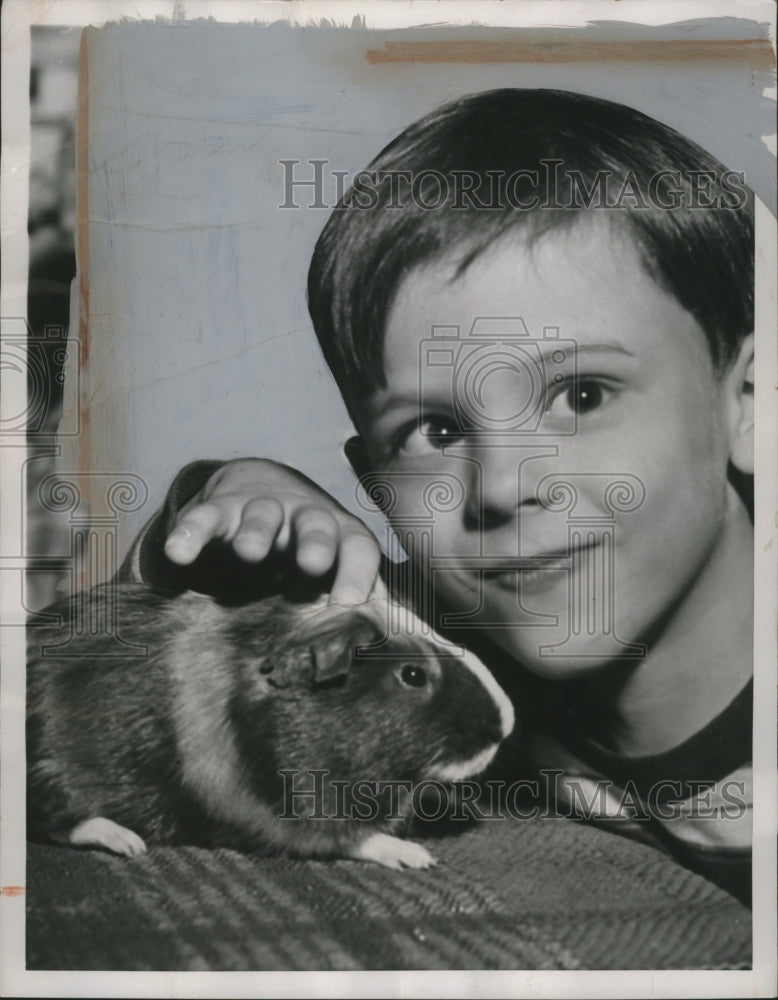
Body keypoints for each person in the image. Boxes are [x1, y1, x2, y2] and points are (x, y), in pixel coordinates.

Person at [120, 89, 754, 903]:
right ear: (374, 482)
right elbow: (160, 645)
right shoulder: (440, 640)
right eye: (438, 433)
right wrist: (236, 505)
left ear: (750, 401)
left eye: (583, 395)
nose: (503, 487)